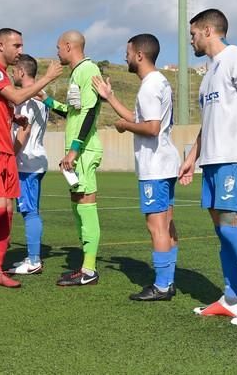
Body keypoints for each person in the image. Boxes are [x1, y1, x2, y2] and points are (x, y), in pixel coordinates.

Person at [178, 8, 237, 325]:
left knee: (233, 230)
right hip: (212, 162)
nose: (190, 40)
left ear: (207, 30)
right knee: (222, 232)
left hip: (236, 159)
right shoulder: (208, 75)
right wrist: (192, 157)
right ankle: (231, 299)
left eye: (192, 33)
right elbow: (209, 123)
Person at [0, 28, 62, 288]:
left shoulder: (3, 75)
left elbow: (3, 104)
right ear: (0, 45)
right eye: (16, 45)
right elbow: (17, 96)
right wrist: (48, 78)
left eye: (21, 46)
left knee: (7, 212)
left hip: (4, 148)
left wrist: (14, 117)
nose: (20, 51)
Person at [92, 34, 180, 300]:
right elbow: (140, 117)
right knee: (167, 224)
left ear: (140, 55)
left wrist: (124, 127)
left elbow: (150, 128)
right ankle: (169, 281)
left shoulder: (150, 86)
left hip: (155, 166)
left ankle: (163, 285)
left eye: (128, 52)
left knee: (157, 227)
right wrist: (110, 98)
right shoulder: (159, 82)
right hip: (165, 162)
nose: (125, 57)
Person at [42, 31, 104, 287]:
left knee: (86, 206)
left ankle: (89, 270)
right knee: (78, 206)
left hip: (84, 150)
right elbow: (74, 112)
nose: (57, 52)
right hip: (77, 150)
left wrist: (75, 150)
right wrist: (45, 100)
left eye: (58, 48)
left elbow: (90, 112)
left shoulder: (88, 69)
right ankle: (84, 266)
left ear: (68, 46)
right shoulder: (78, 72)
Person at [8, 54, 49, 275]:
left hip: (28, 163)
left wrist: (9, 157)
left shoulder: (27, 99)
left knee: (30, 211)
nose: (12, 74)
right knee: (28, 210)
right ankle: (32, 255)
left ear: (22, 72)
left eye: (14, 71)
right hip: (34, 161)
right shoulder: (41, 97)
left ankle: (34, 260)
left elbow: (24, 131)